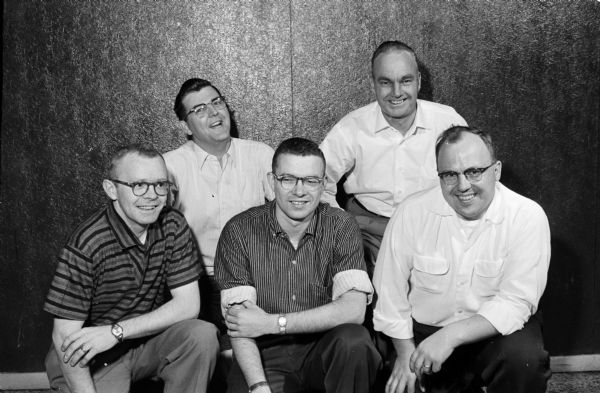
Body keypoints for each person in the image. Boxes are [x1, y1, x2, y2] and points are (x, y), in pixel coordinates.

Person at [373, 126, 551, 393]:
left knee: (523, 358)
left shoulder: (526, 216)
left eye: (474, 171)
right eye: (450, 175)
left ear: (496, 170)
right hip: (423, 337)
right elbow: (389, 293)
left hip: (491, 335)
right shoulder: (411, 212)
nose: (463, 185)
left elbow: (516, 302)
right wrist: (404, 352)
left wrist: (450, 336)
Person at [44, 144, 219, 393]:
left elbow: (189, 306)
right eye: (138, 185)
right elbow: (64, 339)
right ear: (111, 189)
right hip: (93, 357)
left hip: (137, 341)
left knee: (201, 336)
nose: (152, 195)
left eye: (160, 184)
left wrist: (116, 331)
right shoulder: (87, 244)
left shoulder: (172, 223)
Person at [214, 137, 382, 393]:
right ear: (272, 182)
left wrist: (273, 323)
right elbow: (241, 325)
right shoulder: (239, 230)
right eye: (288, 179)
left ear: (323, 184)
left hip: (324, 349)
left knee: (355, 341)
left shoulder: (341, 225)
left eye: (311, 181)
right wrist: (258, 385)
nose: (299, 191)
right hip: (264, 355)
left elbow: (354, 311)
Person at [320, 40, 468, 272]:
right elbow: (316, 181)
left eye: (405, 81)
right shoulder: (351, 128)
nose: (397, 92)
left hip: (435, 226)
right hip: (369, 231)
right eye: (386, 82)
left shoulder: (448, 122)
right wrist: (342, 225)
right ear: (373, 84)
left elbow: (472, 177)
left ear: (418, 81)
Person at [164, 78, 274, 352]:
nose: (214, 112)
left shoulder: (260, 155)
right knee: (221, 355)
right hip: (201, 283)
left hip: (259, 278)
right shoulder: (170, 165)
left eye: (217, 102)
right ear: (185, 126)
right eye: (199, 109)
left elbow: (293, 212)